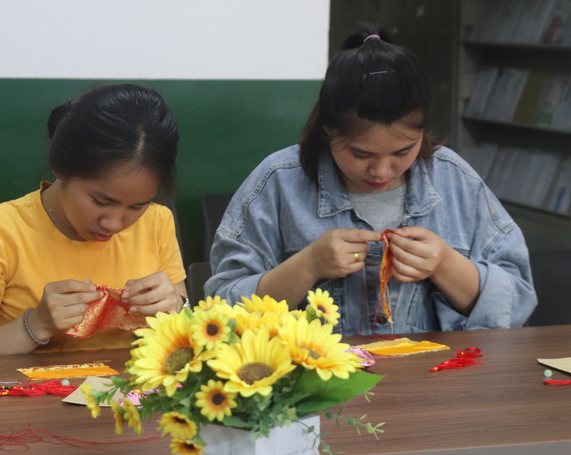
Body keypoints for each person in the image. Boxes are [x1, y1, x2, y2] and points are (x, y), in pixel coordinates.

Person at [205, 29, 536, 335]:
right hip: (313, 376)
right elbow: (220, 311)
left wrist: (447, 265)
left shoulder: (455, 180)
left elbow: (519, 302)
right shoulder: (278, 182)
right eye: (361, 154)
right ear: (327, 130)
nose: (381, 171)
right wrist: (308, 265)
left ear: (423, 132)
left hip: (435, 377)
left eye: (403, 151)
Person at [0, 84, 187, 357]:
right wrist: (35, 325)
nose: (113, 224)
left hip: (134, 384)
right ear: (60, 168)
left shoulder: (157, 222)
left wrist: (178, 307)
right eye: (101, 202)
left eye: (137, 206)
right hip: (25, 384)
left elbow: (190, 337)